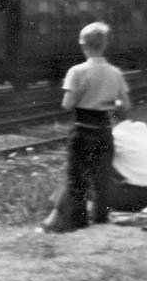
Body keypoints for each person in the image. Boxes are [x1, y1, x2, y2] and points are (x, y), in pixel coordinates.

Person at [42, 21, 131, 232]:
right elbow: (125, 105)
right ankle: (101, 220)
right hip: (104, 128)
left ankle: (80, 223)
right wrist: (109, 102)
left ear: (83, 45)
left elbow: (67, 104)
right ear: (105, 44)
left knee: (77, 178)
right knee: (102, 179)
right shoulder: (115, 73)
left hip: (82, 128)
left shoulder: (76, 71)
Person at [42, 119, 147, 230]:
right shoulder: (142, 127)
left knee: (77, 177)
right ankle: (64, 217)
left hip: (142, 197)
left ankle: (52, 221)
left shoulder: (113, 136)